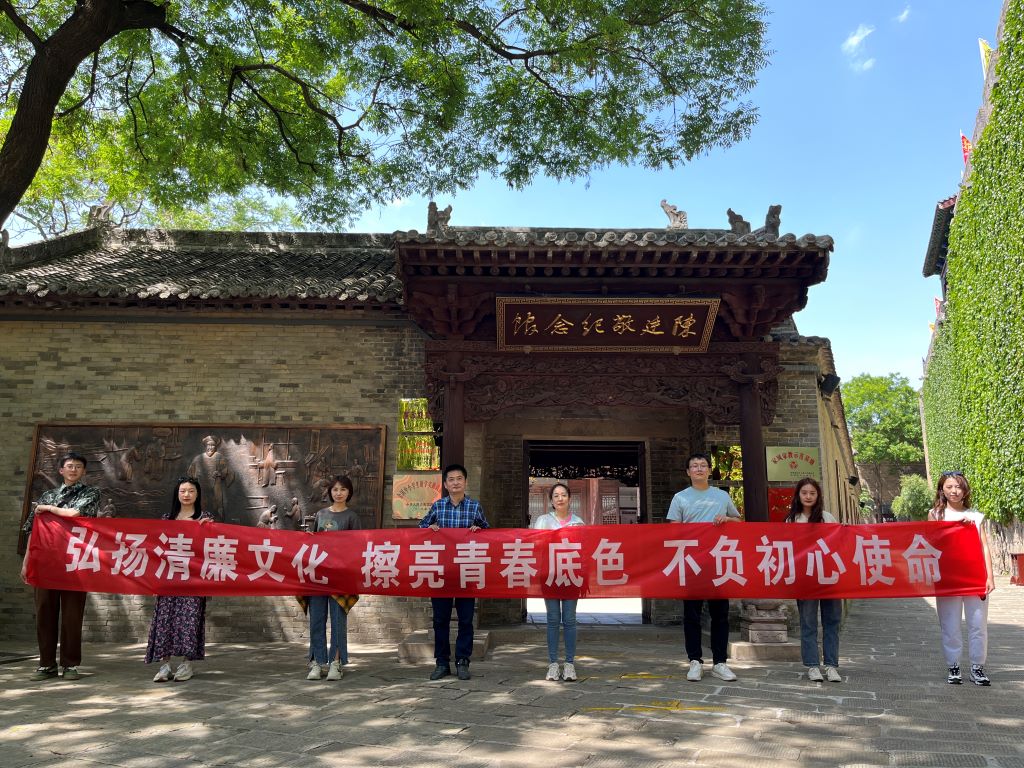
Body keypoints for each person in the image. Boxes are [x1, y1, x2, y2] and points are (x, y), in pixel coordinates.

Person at [20, 452, 101, 681]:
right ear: (61, 470)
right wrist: (27, 561)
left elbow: (75, 514)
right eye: (69, 466)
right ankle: (46, 664)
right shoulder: (48, 495)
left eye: (78, 466)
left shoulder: (91, 493)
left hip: (75, 562)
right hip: (46, 562)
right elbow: (33, 530)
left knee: (72, 615)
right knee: (44, 612)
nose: (73, 470)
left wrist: (48, 509)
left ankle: (70, 664)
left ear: (84, 471)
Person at [666, 452, 741, 682]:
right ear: (688, 472)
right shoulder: (680, 498)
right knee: (692, 614)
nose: (699, 469)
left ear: (709, 470)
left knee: (720, 614)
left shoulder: (722, 496)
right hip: (692, 562)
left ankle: (720, 662)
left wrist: (727, 520)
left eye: (702, 465)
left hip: (718, 562)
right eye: (694, 466)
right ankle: (695, 661)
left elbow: (739, 522)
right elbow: (673, 529)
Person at [419, 463, 489, 681]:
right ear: (446, 484)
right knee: (440, 620)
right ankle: (442, 662)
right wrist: (430, 529)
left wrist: (479, 530)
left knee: (466, 619)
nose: (455, 482)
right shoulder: (438, 506)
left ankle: (462, 661)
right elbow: (420, 529)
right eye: (451, 479)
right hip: (442, 572)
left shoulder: (474, 507)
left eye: (459, 479)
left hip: (466, 571)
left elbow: (489, 534)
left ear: (465, 482)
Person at [929, 471, 995, 686]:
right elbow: (932, 542)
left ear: (965, 490)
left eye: (958, 486)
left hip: (974, 576)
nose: (954, 491)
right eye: (949, 487)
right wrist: (954, 529)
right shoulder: (935, 515)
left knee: (978, 624)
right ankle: (953, 665)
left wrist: (989, 576)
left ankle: (977, 667)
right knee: (950, 623)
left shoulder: (975, 516)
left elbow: (984, 546)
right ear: (942, 490)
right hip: (948, 577)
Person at [146, 477, 214, 682]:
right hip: (168, 578)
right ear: (177, 494)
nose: (186, 495)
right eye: (183, 491)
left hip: (193, 580)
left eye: (191, 491)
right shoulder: (166, 519)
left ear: (197, 495)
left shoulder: (205, 519)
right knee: (164, 621)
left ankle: (186, 664)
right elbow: (156, 549)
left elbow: (213, 546)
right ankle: (165, 665)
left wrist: (208, 528)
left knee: (190, 621)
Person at [304, 475, 361, 681]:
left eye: (343, 489)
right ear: (330, 492)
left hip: (340, 577)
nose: (339, 493)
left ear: (349, 492)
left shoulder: (352, 517)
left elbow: (358, 546)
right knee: (317, 620)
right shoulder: (321, 514)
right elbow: (313, 545)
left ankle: (336, 662)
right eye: (335, 489)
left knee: (338, 621)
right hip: (318, 576)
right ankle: (317, 662)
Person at [785, 477, 841, 683]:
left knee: (832, 621)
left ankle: (831, 665)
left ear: (818, 496)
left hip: (829, 577)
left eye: (812, 493)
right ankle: (812, 665)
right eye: (804, 493)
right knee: (808, 622)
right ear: (798, 495)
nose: (808, 496)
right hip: (806, 579)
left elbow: (839, 543)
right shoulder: (792, 520)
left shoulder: (827, 517)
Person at [532, 482, 585, 682]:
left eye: (563, 495)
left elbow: (585, 550)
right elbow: (535, 545)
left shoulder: (578, 522)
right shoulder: (543, 521)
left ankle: (569, 664)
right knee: (553, 619)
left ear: (569, 498)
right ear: (551, 500)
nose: (560, 498)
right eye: (556, 495)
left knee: (570, 619)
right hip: (550, 575)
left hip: (571, 575)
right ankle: (553, 663)